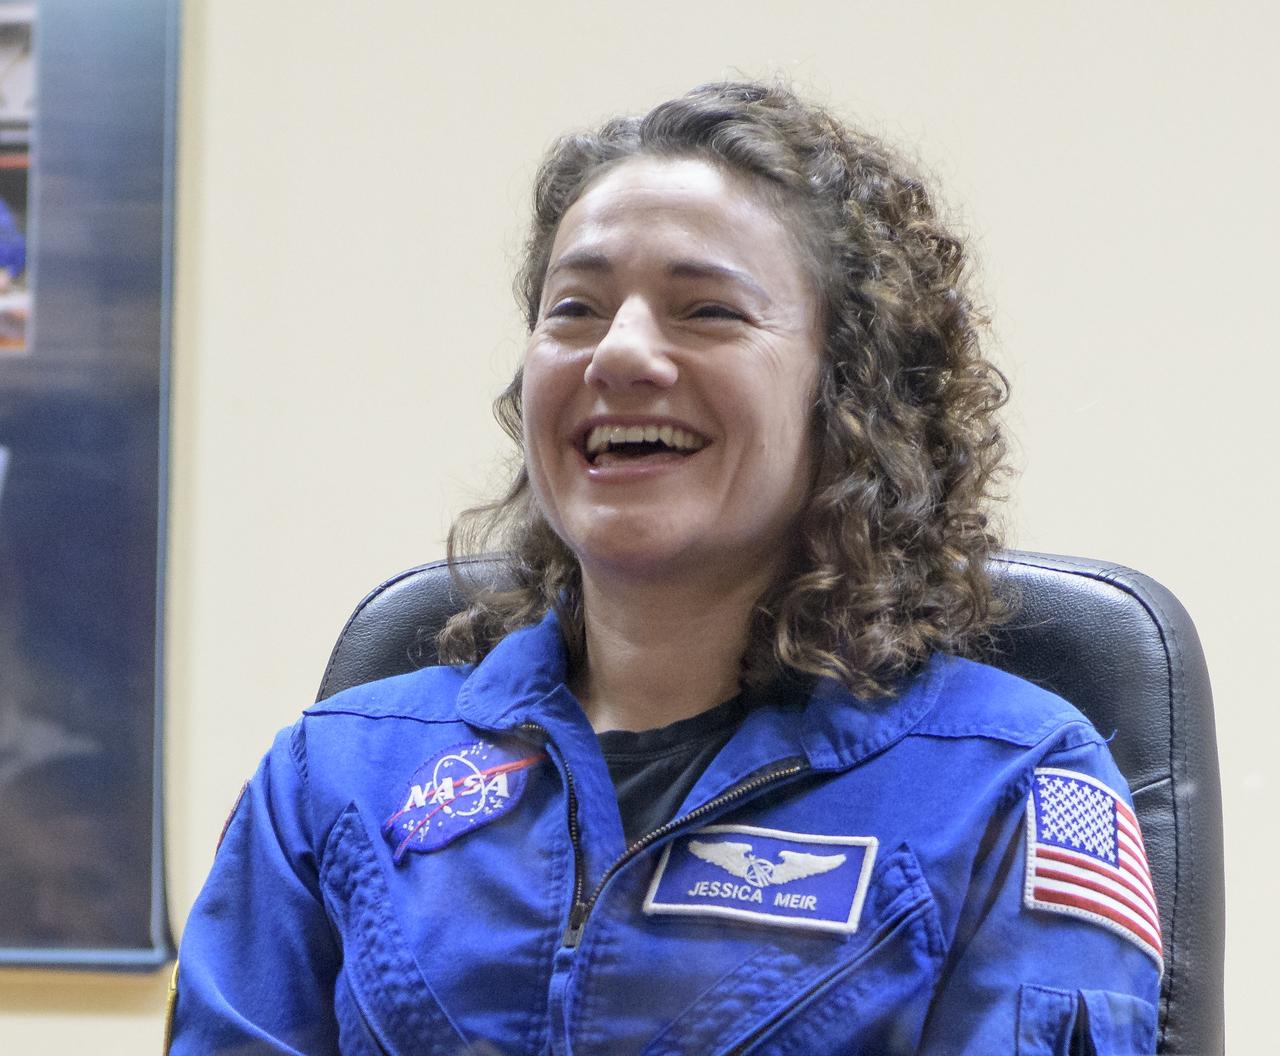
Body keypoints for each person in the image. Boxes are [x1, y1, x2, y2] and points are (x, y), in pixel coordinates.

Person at [168, 81, 1162, 1054]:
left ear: (849, 391)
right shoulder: (331, 777)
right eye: (574, 309)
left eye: (707, 311)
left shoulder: (1010, 789)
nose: (618, 354)